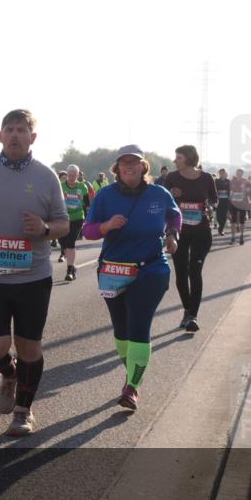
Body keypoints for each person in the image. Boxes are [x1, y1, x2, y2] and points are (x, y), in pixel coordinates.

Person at [0, 109, 69, 436]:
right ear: (0, 136)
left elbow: (64, 224)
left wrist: (45, 228)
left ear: (33, 138)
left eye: (22, 130)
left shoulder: (47, 176)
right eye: (10, 129)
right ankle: (9, 372)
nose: (16, 135)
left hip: (32, 277)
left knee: (29, 346)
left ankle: (23, 411)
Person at [83, 145, 180, 411]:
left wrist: (172, 235)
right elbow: (88, 231)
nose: (128, 166)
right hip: (114, 269)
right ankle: (132, 374)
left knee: (139, 325)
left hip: (151, 269)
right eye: (123, 163)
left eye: (134, 162)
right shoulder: (105, 196)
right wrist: (106, 225)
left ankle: (132, 387)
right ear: (117, 168)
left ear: (143, 167)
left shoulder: (159, 194)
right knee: (121, 330)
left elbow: (175, 216)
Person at [164, 145, 217, 333]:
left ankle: (193, 316)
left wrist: (209, 207)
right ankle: (187, 310)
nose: (175, 160)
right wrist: (172, 194)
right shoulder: (171, 178)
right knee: (181, 273)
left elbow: (214, 200)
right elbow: (161, 201)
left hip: (202, 231)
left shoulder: (206, 178)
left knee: (195, 271)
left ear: (188, 158)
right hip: (179, 232)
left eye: (178, 157)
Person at [60, 164, 89, 281]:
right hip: (62, 218)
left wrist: (87, 220)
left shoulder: (82, 187)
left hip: (77, 218)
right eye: (70, 175)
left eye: (74, 175)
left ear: (78, 175)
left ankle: (70, 270)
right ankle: (70, 262)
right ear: (67, 175)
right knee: (63, 244)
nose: (71, 177)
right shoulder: (61, 186)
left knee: (70, 242)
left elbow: (87, 205)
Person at [228, 168, 251, 245]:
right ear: (236, 173)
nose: (239, 174)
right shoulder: (232, 181)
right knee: (233, 221)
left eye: (241, 173)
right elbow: (230, 192)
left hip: (242, 204)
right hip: (233, 203)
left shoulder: (245, 181)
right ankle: (233, 237)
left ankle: (241, 236)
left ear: (242, 174)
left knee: (242, 221)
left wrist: (248, 200)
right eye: (238, 173)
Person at [214, 168, 231, 236]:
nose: (222, 174)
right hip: (218, 200)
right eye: (221, 173)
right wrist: (217, 192)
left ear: (225, 174)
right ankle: (220, 226)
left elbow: (231, 189)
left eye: (223, 173)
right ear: (219, 174)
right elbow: (214, 189)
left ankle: (220, 229)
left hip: (226, 200)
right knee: (218, 216)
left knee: (224, 216)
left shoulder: (228, 181)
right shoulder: (216, 181)